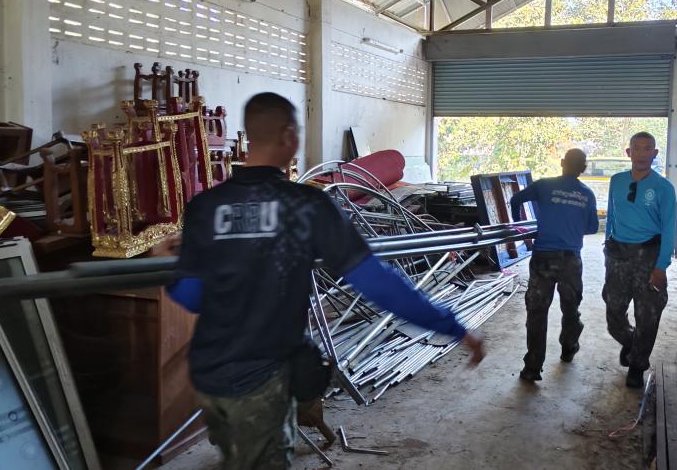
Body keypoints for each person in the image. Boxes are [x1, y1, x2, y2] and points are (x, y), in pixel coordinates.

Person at [153, 92, 485, 469]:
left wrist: (169, 267)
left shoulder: (205, 207)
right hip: (261, 382)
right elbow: (378, 283)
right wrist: (452, 327)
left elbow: (194, 297)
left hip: (208, 379)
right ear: (288, 136)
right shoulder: (306, 206)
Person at [509, 148, 599, 382]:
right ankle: (569, 347)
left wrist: (520, 228)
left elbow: (515, 199)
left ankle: (532, 367)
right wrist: (572, 224)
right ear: (583, 168)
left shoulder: (544, 185)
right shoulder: (587, 194)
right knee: (570, 308)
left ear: (561, 162)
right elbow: (592, 228)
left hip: (543, 258)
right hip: (571, 260)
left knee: (537, 311)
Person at [602, 132, 676, 388]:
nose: (642, 153)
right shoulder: (617, 180)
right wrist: (607, 244)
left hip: (649, 255)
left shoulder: (663, 187)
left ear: (655, 154)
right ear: (629, 152)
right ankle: (631, 342)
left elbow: (669, 228)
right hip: (618, 254)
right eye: (637, 148)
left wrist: (661, 266)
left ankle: (637, 365)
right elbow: (612, 214)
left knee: (648, 315)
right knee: (613, 311)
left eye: (647, 149)